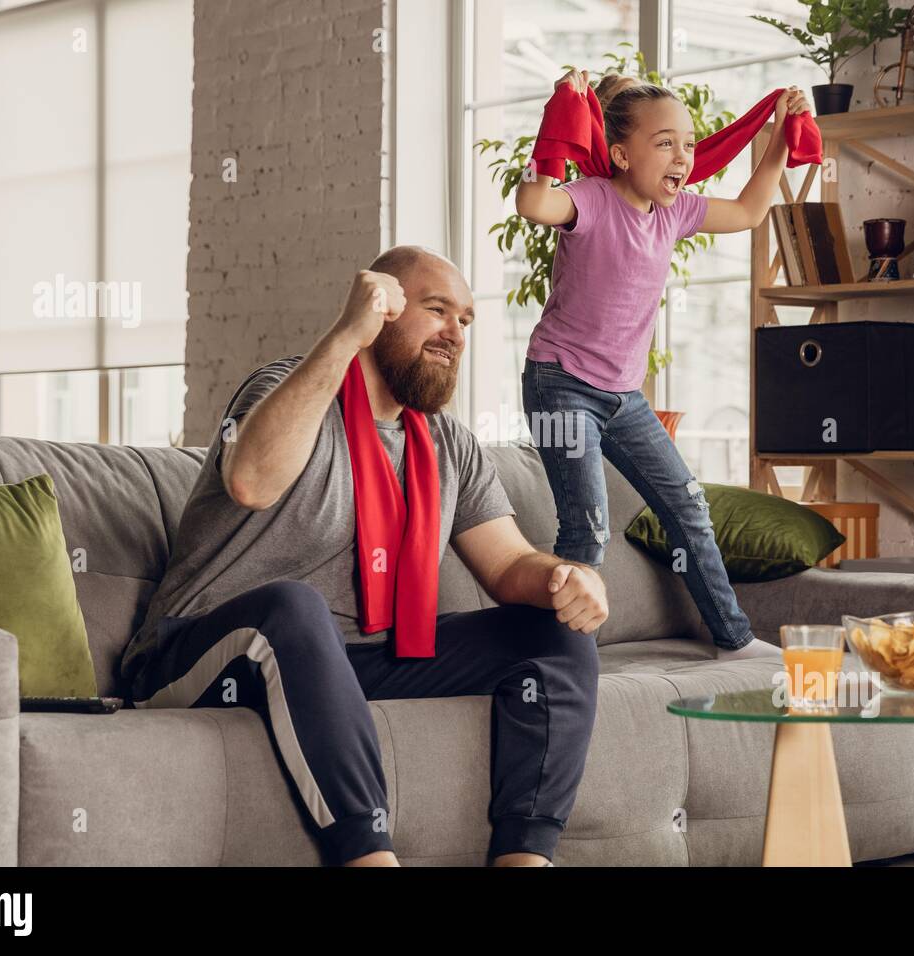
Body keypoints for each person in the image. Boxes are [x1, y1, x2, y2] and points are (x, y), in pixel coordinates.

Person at [119, 245, 608, 867]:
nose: (455, 333)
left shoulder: (448, 442)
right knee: (296, 608)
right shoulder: (285, 389)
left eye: (465, 320)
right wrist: (346, 335)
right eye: (436, 310)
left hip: (352, 661)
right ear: (383, 310)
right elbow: (251, 481)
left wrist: (566, 577)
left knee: (554, 635)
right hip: (194, 653)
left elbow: (511, 566)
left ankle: (524, 860)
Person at [515, 69, 810, 658]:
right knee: (587, 528)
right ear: (620, 154)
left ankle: (733, 637)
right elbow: (533, 202)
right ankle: (568, 662)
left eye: (689, 144)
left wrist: (779, 139)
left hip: (622, 397)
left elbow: (751, 211)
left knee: (688, 505)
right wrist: (556, 125)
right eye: (665, 142)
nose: (683, 156)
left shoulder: (674, 213)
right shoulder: (592, 200)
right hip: (561, 385)